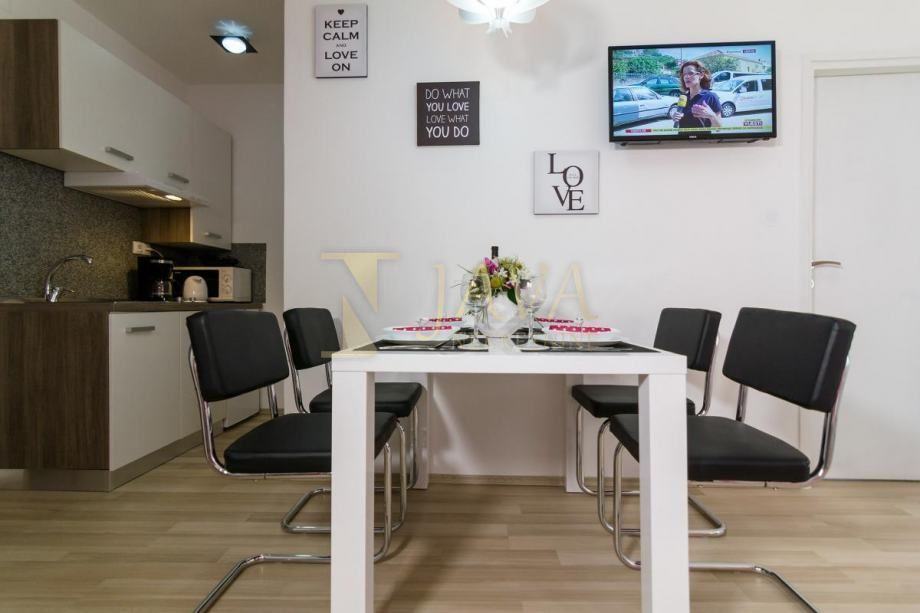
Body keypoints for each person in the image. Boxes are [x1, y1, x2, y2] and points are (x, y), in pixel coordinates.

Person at [673, 60, 722, 131]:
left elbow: (718, 128)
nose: (686, 77)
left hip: (703, 138)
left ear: (701, 75)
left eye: (690, 73)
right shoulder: (683, 97)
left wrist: (712, 116)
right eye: (684, 74)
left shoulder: (711, 97)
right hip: (682, 137)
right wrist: (676, 117)